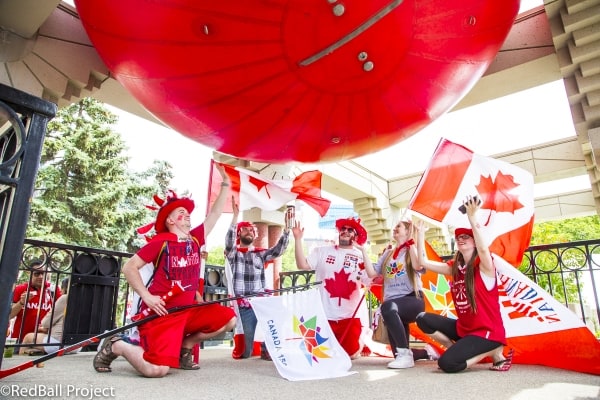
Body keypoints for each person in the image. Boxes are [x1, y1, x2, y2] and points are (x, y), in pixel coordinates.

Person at [92, 163, 236, 377]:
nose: (187, 215)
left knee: (229, 319)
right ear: (169, 220)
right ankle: (116, 344)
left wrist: (226, 182)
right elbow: (129, 267)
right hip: (163, 315)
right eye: (181, 212)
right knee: (156, 370)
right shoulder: (161, 242)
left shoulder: (195, 237)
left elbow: (215, 214)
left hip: (188, 311)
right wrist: (147, 296)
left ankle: (185, 347)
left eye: (187, 212)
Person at [415, 195, 512, 373]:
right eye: (458, 237)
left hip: (487, 333)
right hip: (464, 329)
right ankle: (455, 349)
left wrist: (472, 216)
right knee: (423, 319)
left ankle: (491, 350)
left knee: (447, 364)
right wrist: (420, 235)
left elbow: (483, 249)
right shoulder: (455, 269)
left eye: (466, 236)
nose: (461, 239)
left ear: (474, 240)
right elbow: (422, 262)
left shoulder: (484, 267)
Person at [293, 217, 372, 359]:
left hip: (348, 317)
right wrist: (298, 239)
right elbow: (302, 265)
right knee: (318, 354)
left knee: (351, 355)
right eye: (343, 229)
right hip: (323, 314)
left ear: (356, 235)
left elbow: (370, 279)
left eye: (350, 230)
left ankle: (363, 339)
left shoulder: (360, 256)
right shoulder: (321, 251)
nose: (345, 232)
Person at [363, 220, 439, 369]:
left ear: (407, 231)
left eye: (399, 226)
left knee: (388, 307)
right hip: (393, 306)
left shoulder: (413, 248)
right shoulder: (389, 252)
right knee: (396, 354)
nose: (395, 228)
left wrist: (414, 240)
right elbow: (372, 273)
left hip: (412, 299)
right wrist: (362, 250)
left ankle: (405, 355)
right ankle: (425, 352)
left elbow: (418, 266)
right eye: (395, 225)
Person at [225, 198, 290, 361]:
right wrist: (235, 217)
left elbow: (278, 250)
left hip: (261, 302)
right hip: (244, 304)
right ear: (239, 234)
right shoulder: (234, 254)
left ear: (254, 236)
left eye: (251, 230)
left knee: (279, 312)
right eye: (245, 230)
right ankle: (250, 348)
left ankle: (267, 348)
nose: (249, 232)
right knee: (246, 352)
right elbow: (228, 243)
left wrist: (287, 230)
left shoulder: (260, 254)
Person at [20, 278, 78, 355]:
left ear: (65, 288)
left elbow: (46, 322)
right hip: (77, 345)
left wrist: (44, 327)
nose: (60, 291)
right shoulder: (81, 299)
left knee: (28, 337)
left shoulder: (65, 298)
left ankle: (20, 360)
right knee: (40, 340)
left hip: (59, 344)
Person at [10, 260, 62, 342]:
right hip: (20, 339)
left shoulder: (53, 290)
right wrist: (21, 302)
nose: (41, 276)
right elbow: (9, 315)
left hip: (43, 339)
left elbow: (61, 315)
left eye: (43, 273)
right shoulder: (20, 289)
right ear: (29, 273)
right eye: (37, 273)